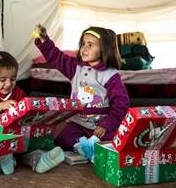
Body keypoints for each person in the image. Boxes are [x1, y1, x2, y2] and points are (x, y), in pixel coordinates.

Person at [33, 24, 130, 162]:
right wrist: (44, 40)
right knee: (63, 138)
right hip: (78, 123)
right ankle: (81, 146)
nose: (84, 48)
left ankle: (93, 147)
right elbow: (56, 57)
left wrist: (107, 124)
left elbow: (121, 103)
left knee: (117, 140)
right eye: (83, 43)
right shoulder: (75, 68)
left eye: (90, 45)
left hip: (100, 126)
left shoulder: (110, 75)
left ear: (104, 49)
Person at [0, 51, 65, 175]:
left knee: (29, 142)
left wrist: (37, 116)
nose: (8, 84)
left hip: (17, 137)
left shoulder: (18, 92)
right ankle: (5, 159)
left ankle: (39, 160)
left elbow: (27, 113)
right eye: (2, 80)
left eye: (13, 79)